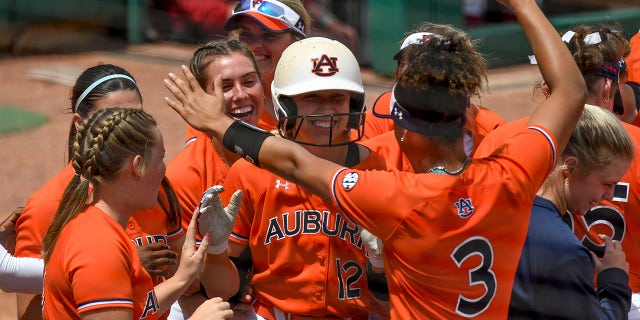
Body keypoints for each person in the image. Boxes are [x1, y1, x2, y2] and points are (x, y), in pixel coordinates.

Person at [163, 0, 588, 317]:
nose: (326, 110)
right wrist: (524, 3)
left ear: (399, 129)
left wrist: (219, 126)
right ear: (466, 118)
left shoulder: (392, 189)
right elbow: (570, 90)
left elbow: (293, 165)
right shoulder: (509, 174)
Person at [199, 36, 388, 319]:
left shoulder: (377, 169)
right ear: (285, 103)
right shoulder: (251, 170)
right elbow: (222, 290)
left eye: (338, 97)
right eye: (312, 97)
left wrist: (381, 264)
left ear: (355, 102)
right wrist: (215, 250)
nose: (327, 109)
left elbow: (393, 299)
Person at [14, 64, 184, 319]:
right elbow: (29, 313)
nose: (129, 132)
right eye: (113, 117)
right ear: (80, 124)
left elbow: (184, 281)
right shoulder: (47, 206)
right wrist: (121, 265)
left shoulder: (154, 188)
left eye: (135, 117)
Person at [40, 107, 230, 320]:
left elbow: (134, 308)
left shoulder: (94, 224)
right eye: (160, 159)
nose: (163, 170)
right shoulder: (99, 247)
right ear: (137, 166)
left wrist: (182, 277)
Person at [163, 39, 265, 318]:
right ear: (200, 99)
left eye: (249, 81)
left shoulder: (282, 149)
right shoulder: (186, 175)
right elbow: (189, 286)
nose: (241, 94)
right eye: (226, 86)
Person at [507, 104, 633, 318]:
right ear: (571, 168)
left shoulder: (506, 204)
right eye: (607, 184)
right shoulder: (562, 249)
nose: (610, 196)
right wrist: (614, 280)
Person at [362, 24, 505, 165]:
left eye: (432, 65)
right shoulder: (377, 120)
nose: (415, 71)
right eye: (408, 61)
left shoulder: (491, 130)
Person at [223, 0, 311, 128]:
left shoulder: (320, 93)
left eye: (269, 35)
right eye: (246, 35)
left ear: (297, 41)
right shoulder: (221, 100)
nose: (254, 45)